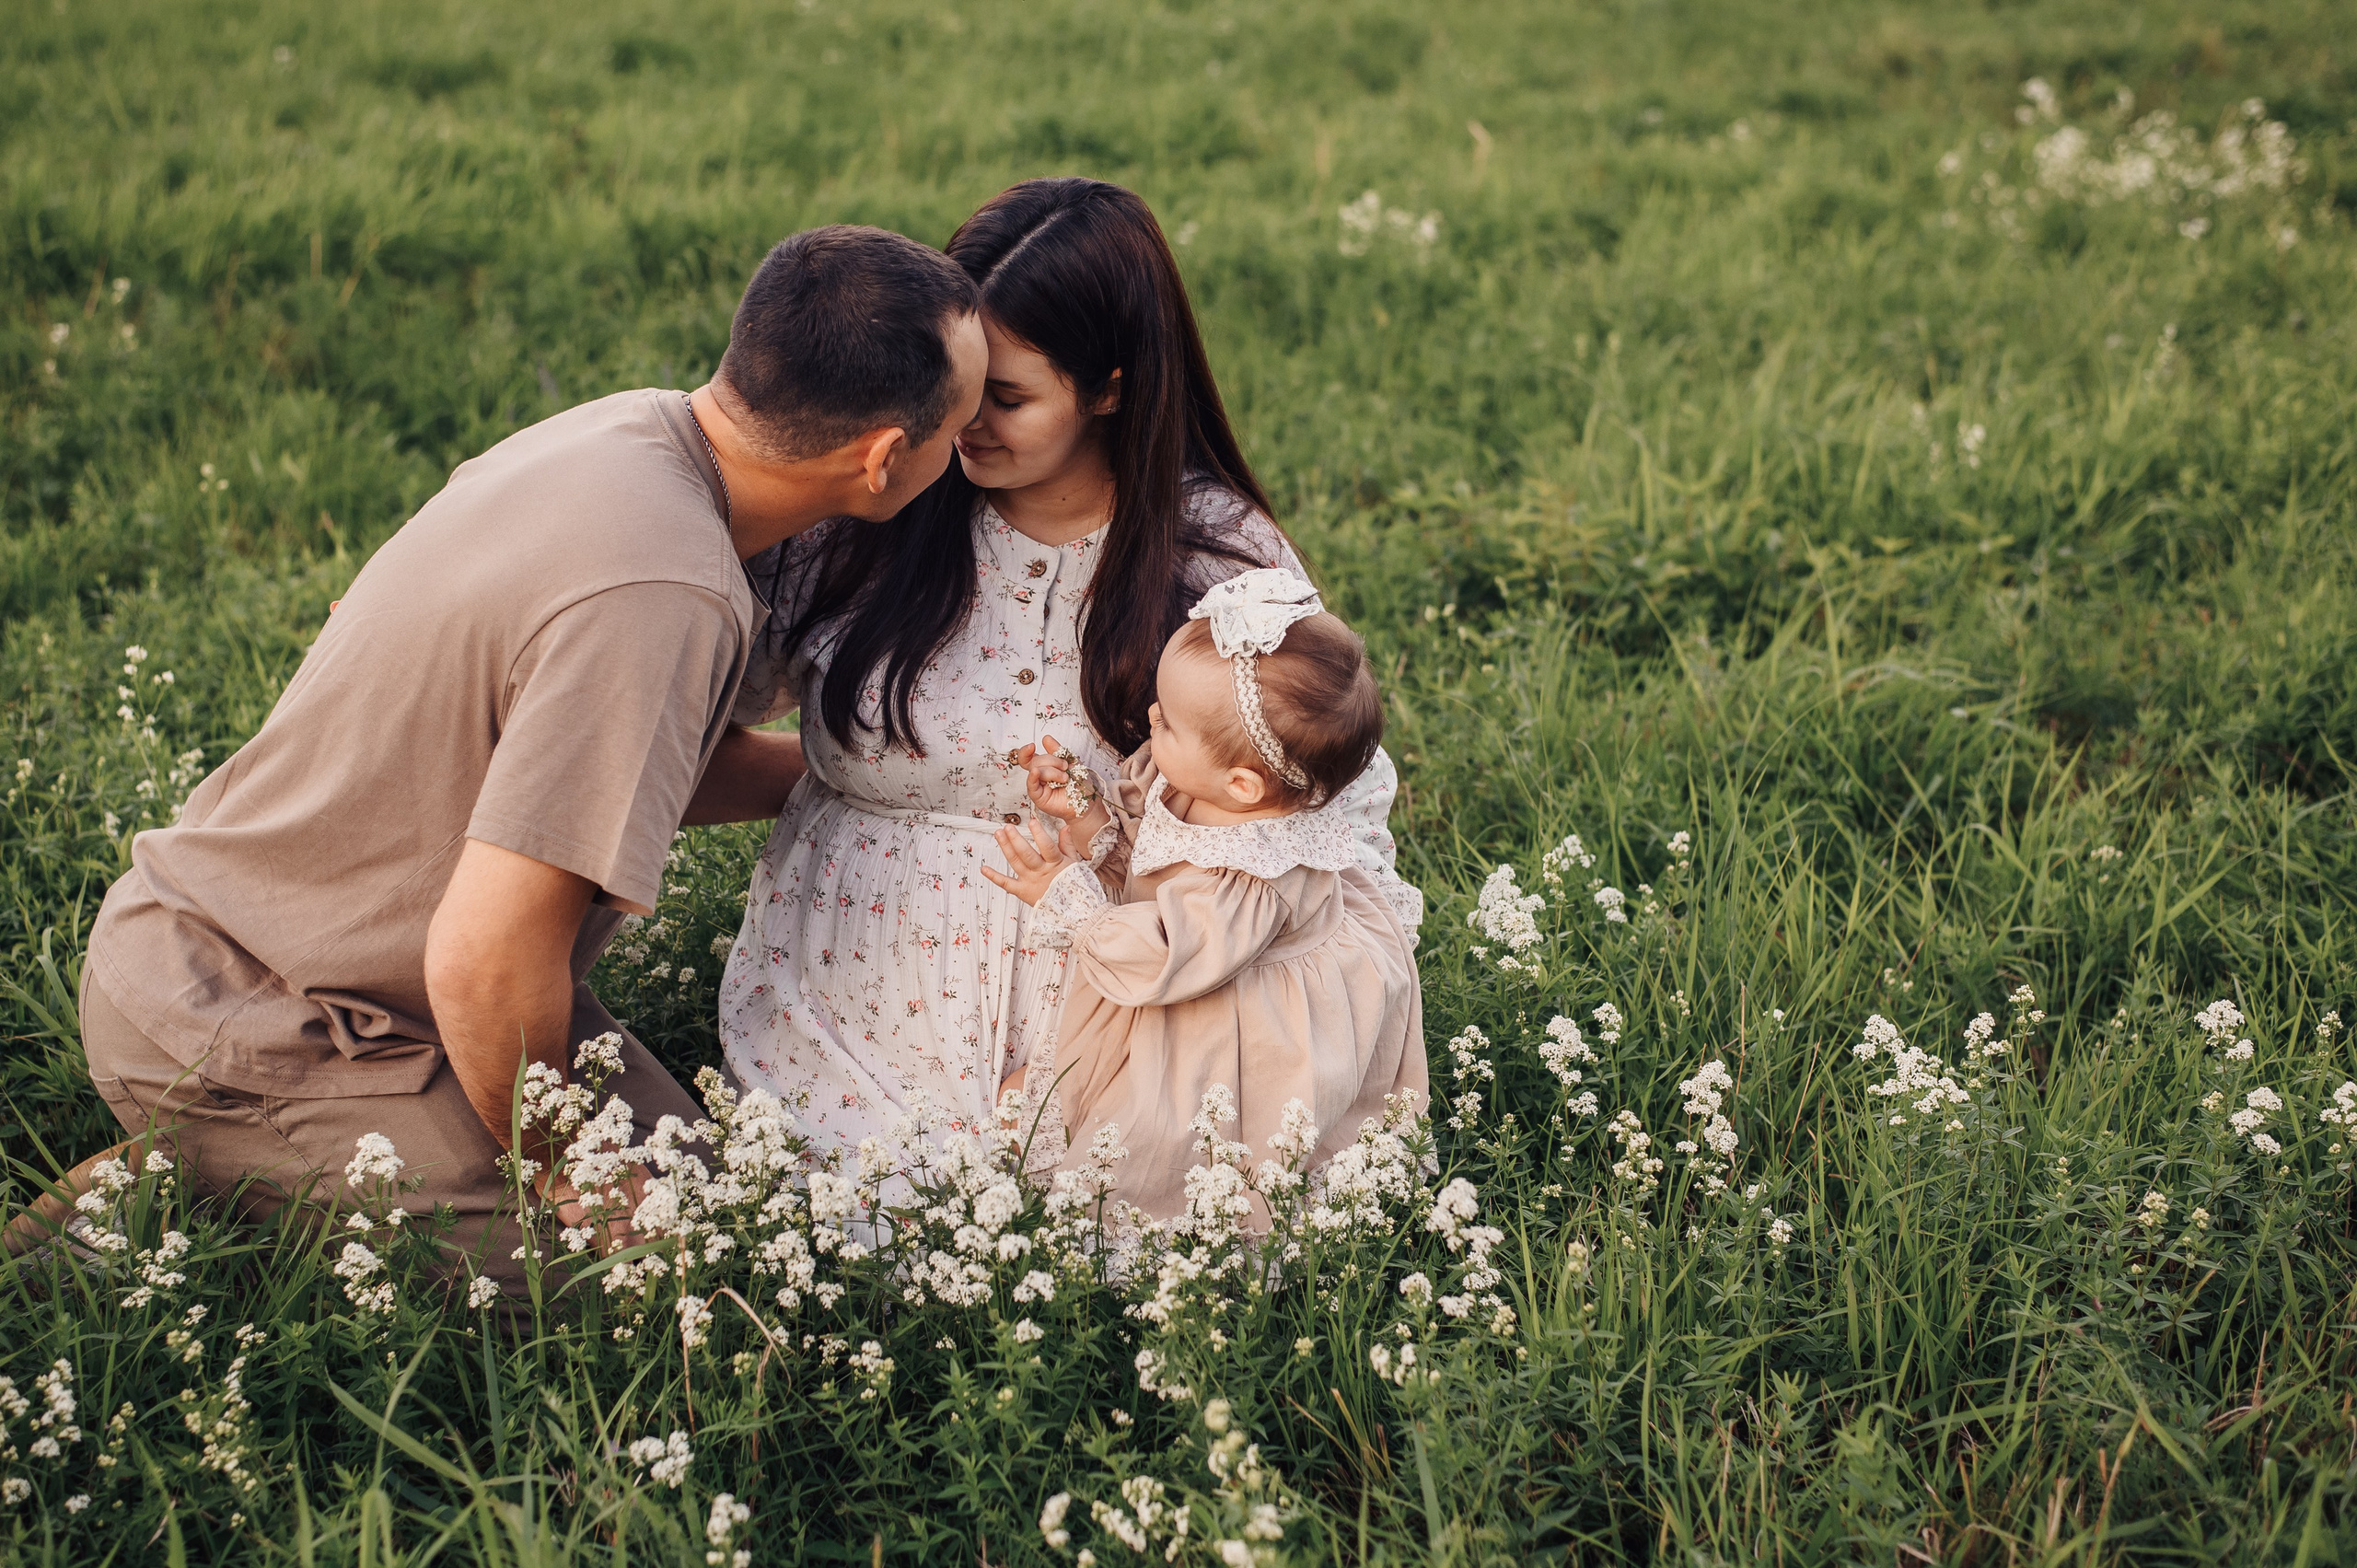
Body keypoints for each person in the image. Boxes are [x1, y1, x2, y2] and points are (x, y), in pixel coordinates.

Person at [3, 226, 990, 1283]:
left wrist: (866, 775)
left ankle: (240, 1154)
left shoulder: (623, 438)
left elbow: (615, 762)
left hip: (320, 964)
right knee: (665, 1286)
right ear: (886, 456)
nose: (966, 447)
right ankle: (198, 1160)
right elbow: (485, 959)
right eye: (960, 423)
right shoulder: (664, 591)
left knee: (721, 1205)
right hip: (268, 1009)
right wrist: (574, 1178)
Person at [720, 178, 1423, 1170]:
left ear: (1110, 387)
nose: (965, 424)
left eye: (1005, 398)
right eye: (955, 387)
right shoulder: (874, 502)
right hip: (852, 978)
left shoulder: (1218, 559)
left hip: (1116, 1014)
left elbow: (1313, 823)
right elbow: (693, 696)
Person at [983, 570, 1424, 1216]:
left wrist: (1067, 896)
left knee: (1156, 1150)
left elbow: (1167, 950)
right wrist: (1086, 813)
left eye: (1168, 723)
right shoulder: (1201, 781)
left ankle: (1187, 1218)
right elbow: (1153, 858)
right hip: (1188, 971)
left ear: (1243, 786)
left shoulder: (1257, 878)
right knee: (1032, 1106)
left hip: (1223, 1020)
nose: (1151, 720)